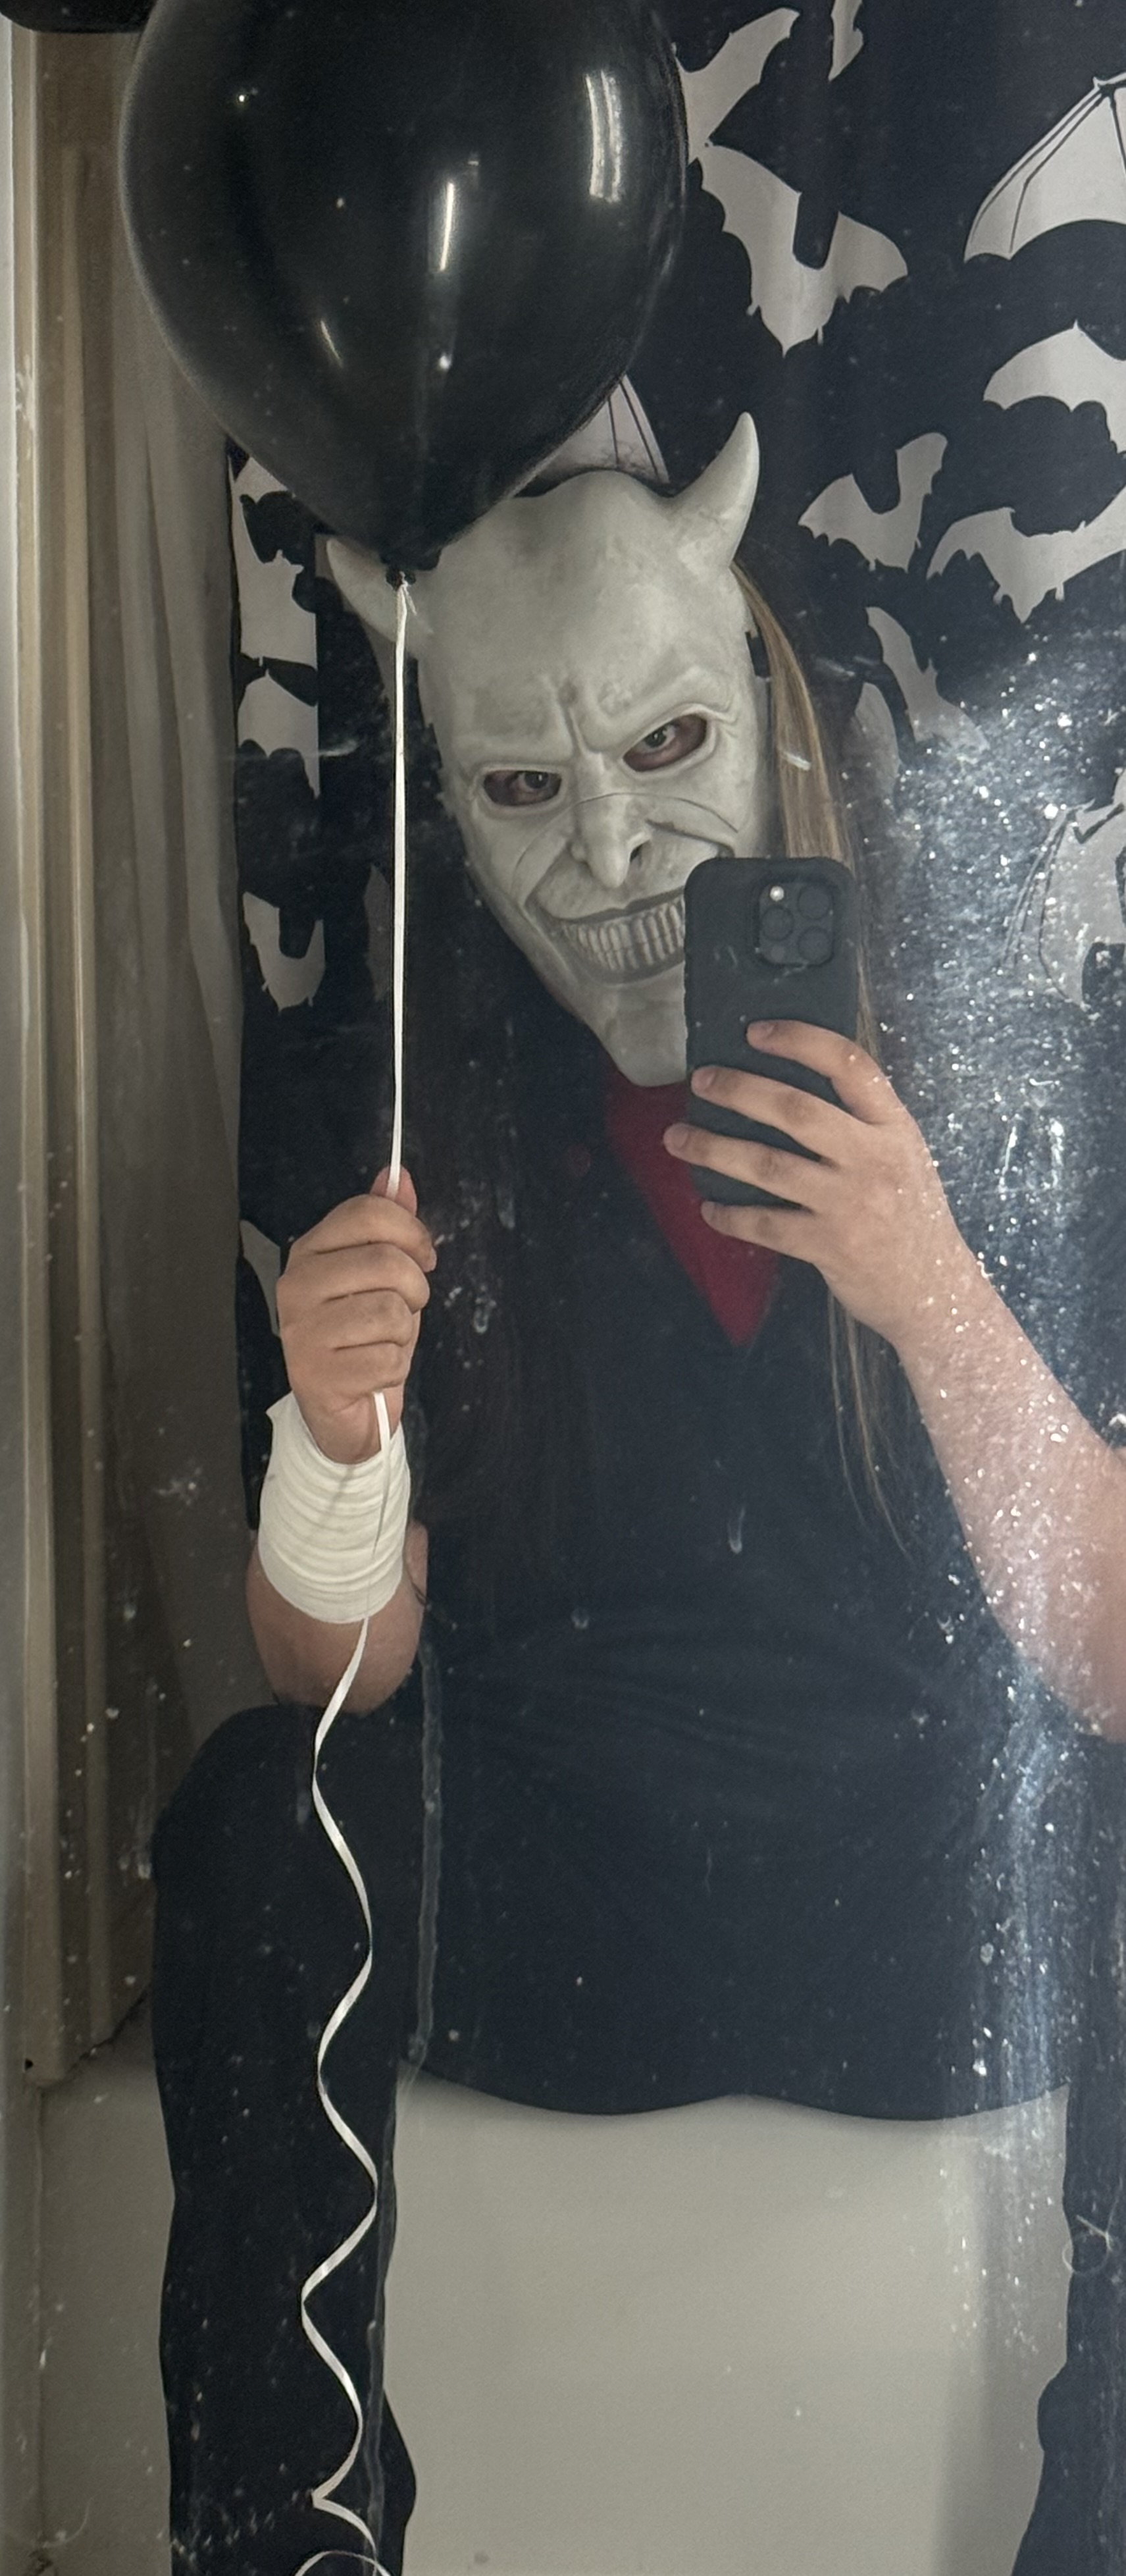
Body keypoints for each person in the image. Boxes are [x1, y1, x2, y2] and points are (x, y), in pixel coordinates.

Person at [151, 419, 1126, 2575]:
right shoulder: (410, 1093)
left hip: (920, 1902)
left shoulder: (986, 1070)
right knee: (246, 1812)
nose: (606, 849)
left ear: (773, 722)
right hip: (556, 1890)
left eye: (664, 743)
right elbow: (329, 1686)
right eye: (522, 785)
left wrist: (928, 1284)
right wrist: (334, 1432)